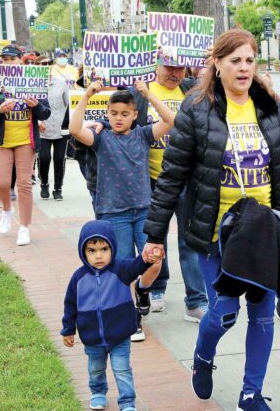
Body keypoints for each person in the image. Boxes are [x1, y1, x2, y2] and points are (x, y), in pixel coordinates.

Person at [142, 29, 280, 410]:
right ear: (216, 64)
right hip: (212, 232)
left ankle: (251, 394)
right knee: (223, 312)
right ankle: (202, 358)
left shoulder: (272, 108)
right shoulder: (195, 109)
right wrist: (154, 234)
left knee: (262, 315)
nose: (243, 68)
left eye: (249, 60)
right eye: (234, 60)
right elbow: (171, 176)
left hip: (264, 230)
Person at [70, 82, 175, 342]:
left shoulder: (143, 135)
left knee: (156, 259)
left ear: (134, 115)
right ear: (107, 113)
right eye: (114, 113)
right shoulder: (101, 139)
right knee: (123, 266)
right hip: (113, 213)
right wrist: (87, 94)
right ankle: (132, 319)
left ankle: (142, 290)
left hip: (143, 211)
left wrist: (148, 93)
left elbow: (170, 120)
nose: (119, 118)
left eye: (125, 113)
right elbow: (74, 129)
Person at [127, 59, 209, 323]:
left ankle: (195, 301)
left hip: (186, 179)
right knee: (155, 239)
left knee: (189, 240)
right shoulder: (139, 92)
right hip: (150, 180)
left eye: (180, 68)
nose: (175, 74)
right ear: (156, 66)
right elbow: (119, 117)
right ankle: (156, 288)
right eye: (169, 68)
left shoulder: (192, 90)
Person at [62, 220, 161, 411]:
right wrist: (68, 329)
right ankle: (98, 393)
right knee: (96, 369)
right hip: (92, 337)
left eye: (104, 249)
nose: (99, 255)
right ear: (83, 252)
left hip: (120, 335)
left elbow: (138, 265)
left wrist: (148, 257)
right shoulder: (78, 278)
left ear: (112, 248)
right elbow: (70, 305)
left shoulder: (122, 270)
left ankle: (127, 402)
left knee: (122, 370)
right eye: (92, 250)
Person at [0, 45, 51, 246]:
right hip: (1, 140)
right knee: (1, 183)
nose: (8, 62)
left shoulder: (33, 79)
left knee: (24, 184)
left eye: (12, 59)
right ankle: (7, 208)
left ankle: (24, 227)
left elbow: (46, 113)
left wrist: (36, 106)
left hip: (25, 140)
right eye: (5, 59)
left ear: (21, 60)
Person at [38, 51, 80, 200]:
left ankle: (57, 189)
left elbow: (68, 104)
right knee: (44, 158)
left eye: (47, 64)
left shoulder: (60, 83)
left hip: (60, 127)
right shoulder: (32, 85)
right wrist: (37, 122)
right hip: (42, 128)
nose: (44, 67)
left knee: (58, 158)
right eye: (40, 64)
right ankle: (44, 184)